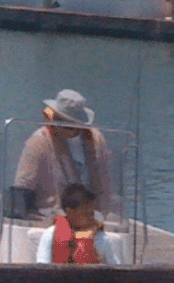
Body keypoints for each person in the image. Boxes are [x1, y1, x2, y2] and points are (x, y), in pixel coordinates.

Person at [8, 88, 118, 219]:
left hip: (91, 213)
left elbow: (105, 182)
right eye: (60, 120)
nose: (64, 125)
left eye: (71, 123)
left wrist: (104, 212)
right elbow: (23, 185)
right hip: (53, 213)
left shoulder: (96, 139)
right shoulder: (38, 141)